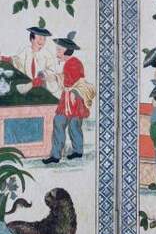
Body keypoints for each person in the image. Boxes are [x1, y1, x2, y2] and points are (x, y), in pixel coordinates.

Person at [42, 31, 96, 164]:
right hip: (67, 97)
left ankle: (76, 151)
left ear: (67, 51)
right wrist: (54, 77)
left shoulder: (74, 62)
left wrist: (73, 93)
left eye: (59, 50)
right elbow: (65, 78)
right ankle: (56, 155)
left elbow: (77, 81)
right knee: (60, 122)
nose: (57, 53)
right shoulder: (68, 63)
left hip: (75, 98)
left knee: (73, 125)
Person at [9, 24, 59, 95]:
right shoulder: (26, 50)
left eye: (44, 39)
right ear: (32, 39)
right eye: (39, 38)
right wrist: (9, 59)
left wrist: (43, 75)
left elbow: (51, 69)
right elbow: (18, 61)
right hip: (27, 81)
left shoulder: (47, 54)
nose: (41, 41)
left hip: (42, 84)